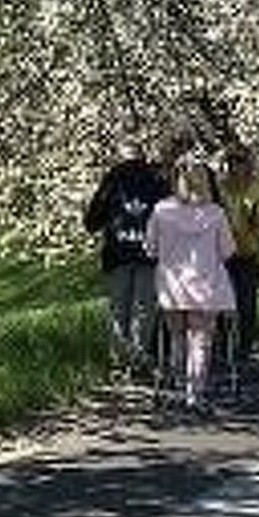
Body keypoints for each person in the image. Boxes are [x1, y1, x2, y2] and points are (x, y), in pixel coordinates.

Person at [147, 155, 237, 414]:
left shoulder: (161, 210)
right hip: (205, 284)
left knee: (176, 337)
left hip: (172, 285)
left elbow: (150, 248)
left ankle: (178, 382)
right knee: (200, 340)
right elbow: (228, 250)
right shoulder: (215, 214)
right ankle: (194, 393)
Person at [82, 136, 170, 378]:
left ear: (121, 156)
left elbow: (93, 219)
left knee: (119, 307)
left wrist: (95, 221)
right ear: (141, 155)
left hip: (118, 253)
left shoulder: (112, 179)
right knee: (145, 307)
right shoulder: (157, 179)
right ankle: (140, 357)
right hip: (149, 253)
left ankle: (120, 359)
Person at [218, 143, 259, 364]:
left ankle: (244, 348)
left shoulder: (258, 189)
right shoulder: (220, 189)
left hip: (248, 253)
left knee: (245, 302)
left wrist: (258, 220)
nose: (233, 166)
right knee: (223, 302)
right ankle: (225, 345)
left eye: (239, 161)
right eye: (230, 161)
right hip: (223, 254)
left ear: (248, 164)